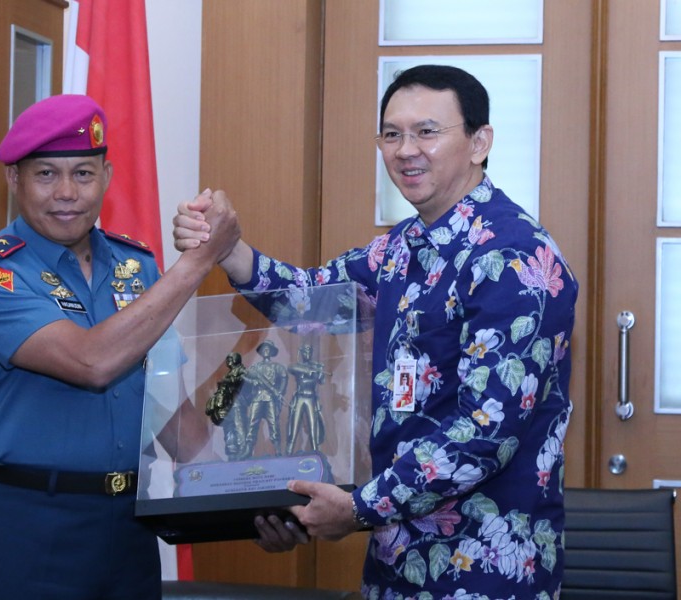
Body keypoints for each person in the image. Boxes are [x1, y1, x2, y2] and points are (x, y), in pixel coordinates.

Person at [174, 65, 578, 598]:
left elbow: (486, 432)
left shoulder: (514, 257)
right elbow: (309, 303)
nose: (406, 150)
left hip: (486, 565)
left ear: (479, 143)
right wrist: (228, 247)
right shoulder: (400, 247)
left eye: (427, 132)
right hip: (395, 560)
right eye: (392, 134)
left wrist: (358, 508)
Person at [0, 94, 240, 600]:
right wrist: (197, 262)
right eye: (46, 174)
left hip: (129, 531)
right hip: (26, 528)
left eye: (83, 173)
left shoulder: (136, 267)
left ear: (106, 176)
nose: (66, 193)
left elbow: (169, 408)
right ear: (14, 179)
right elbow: (92, 361)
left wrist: (250, 501)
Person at [239, 340, 288, 459]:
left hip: (270, 398)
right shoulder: (255, 368)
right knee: (252, 423)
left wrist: (280, 392)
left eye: (268, 348)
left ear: (272, 351)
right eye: (264, 349)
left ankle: (278, 450)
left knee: (273, 424)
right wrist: (252, 382)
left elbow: (284, 377)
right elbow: (243, 376)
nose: (266, 350)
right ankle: (248, 449)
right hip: (258, 397)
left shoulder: (277, 367)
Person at [286, 344, 326, 454]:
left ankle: (315, 452)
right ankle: (289, 452)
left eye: (309, 352)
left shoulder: (315, 367)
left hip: (311, 399)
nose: (307, 354)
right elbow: (290, 367)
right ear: (302, 353)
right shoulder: (298, 366)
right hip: (299, 398)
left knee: (313, 428)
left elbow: (322, 380)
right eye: (305, 351)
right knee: (294, 428)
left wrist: (320, 371)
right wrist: (307, 370)